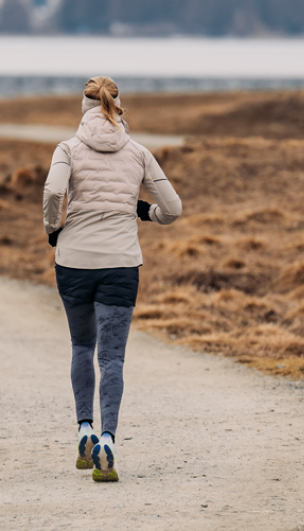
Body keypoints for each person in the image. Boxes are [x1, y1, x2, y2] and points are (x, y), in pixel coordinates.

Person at [43, 76, 182, 482]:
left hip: (74, 262)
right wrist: (145, 213)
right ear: (117, 106)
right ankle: (107, 439)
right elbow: (172, 208)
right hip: (121, 264)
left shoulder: (67, 148)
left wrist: (54, 227)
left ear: (82, 108)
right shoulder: (137, 152)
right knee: (113, 358)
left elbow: (53, 192)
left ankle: (84, 428)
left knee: (82, 347)